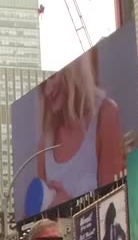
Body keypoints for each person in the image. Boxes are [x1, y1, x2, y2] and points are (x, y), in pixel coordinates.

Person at [32, 50, 126, 210]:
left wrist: (70, 205)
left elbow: (114, 207)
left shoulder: (105, 114)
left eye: (52, 77)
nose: (47, 91)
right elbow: (42, 223)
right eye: (42, 85)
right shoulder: (44, 145)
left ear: (73, 69)